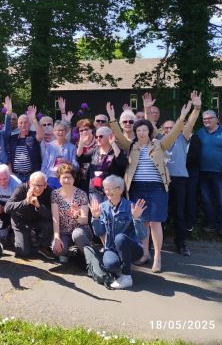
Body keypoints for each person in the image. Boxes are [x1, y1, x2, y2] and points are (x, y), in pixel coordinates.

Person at [107, 100, 192, 273]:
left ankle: (157, 257)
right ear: (135, 132)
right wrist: (112, 118)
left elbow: (174, 133)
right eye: (138, 130)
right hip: (137, 187)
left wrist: (182, 117)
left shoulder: (160, 144)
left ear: (149, 131)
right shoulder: (131, 146)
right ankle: (145, 253)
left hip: (157, 188)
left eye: (144, 130)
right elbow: (118, 135)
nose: (141, 132)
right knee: (142, 221)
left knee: (155, 222)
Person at [161, 91, 202, 255]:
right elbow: (148, 125)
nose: (169, 130)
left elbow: (190, 123)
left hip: (179, 179)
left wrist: (196, 108)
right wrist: (147, 109)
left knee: (179, 212)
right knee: (161, 211)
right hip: (162, 180)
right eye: (166, 128)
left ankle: (181, 244)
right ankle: (157, 242)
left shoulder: (183, 137)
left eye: (172, 127)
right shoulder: (160, 139)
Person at [90, 175, 147, 290]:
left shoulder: (131, 207)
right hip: (112, 248)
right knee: (110, 264)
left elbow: (142, 235)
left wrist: (136, 218)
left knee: (120, 238)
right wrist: (95, 218)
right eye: (105, 189)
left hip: (133, 249)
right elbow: (99, 232)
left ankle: (126, 276)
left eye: (111, 188)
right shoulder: (102, 207)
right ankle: (120, 267)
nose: (107, 192)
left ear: (121, 189)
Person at [196, 109, 222, 236]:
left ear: (216, 119)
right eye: (204, 119)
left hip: (221, 172)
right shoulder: (200, 133)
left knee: (221, 200)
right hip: (202, 172)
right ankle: (211, 224)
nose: (207, 120)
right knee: (206, 200)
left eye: (209, 118)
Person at [4, 171, 54, 260]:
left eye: (40, 185)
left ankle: (43, 246)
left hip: (37, 219)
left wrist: (39, 206)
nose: (38, 189)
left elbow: (51, 215)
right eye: (35, 185)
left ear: (45, 185)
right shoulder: (21, 189)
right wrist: (26, 202)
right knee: (24, 252)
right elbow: (7, 208)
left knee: (50, 224)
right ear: (30, 183)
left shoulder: (49, 192)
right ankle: (13, 235)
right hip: (21, 220)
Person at [51, 164, 91, 263]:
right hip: (64, 231)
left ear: (74, 178)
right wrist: (56, 238)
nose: (66, 180)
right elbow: (55, 218)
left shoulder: (82, 194)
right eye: (63, 178)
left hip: (80, 230)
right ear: (59, 179)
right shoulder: (55, 194)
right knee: (56, 249)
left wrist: (76, 216)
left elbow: (84, 220)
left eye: (69, 177)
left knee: (78, 235)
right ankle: (70, 253)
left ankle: (89, 258)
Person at [77, 126, 127, 205]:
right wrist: (81, 144)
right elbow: (80, 158)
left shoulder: (116, 150)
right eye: (96, 137)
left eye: (101, 136)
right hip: (94, 189)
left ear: (110, 136)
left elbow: (122, 162)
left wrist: (113, 143)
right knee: (97, 211)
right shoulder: (95, 150)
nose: (98, 139)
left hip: (111, 189)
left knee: (110, 211)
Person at [8, 106, 44, 182]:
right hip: (16, 176)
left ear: (30, 124)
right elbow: (9, 156)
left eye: (25, 122)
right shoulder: (13, 138)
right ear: (18, 125)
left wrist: (34, 119)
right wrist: (11, 173)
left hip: (32, 176)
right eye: (21, 123)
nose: (23, 125)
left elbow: (41, 136)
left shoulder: (33, 135)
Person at [41, 120, 78, 189]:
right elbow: (44, 165)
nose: (60, 132)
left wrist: (67, 162)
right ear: (54, 131)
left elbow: (76, 167)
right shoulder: (50, 146)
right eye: (58, 130)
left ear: (66, 131)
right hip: (50, 178)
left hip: (64, 178)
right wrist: (43, 179)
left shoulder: (72, 147)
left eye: (62, 130)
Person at [75, 118, 97, 192]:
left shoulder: (98, 142)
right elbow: (78, 158)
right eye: (81, 130)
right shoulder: (77, 144)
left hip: (94, 176)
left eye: (86, 129)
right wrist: (81, 144)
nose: (84, 132)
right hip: (81, 178)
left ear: (91, 130)